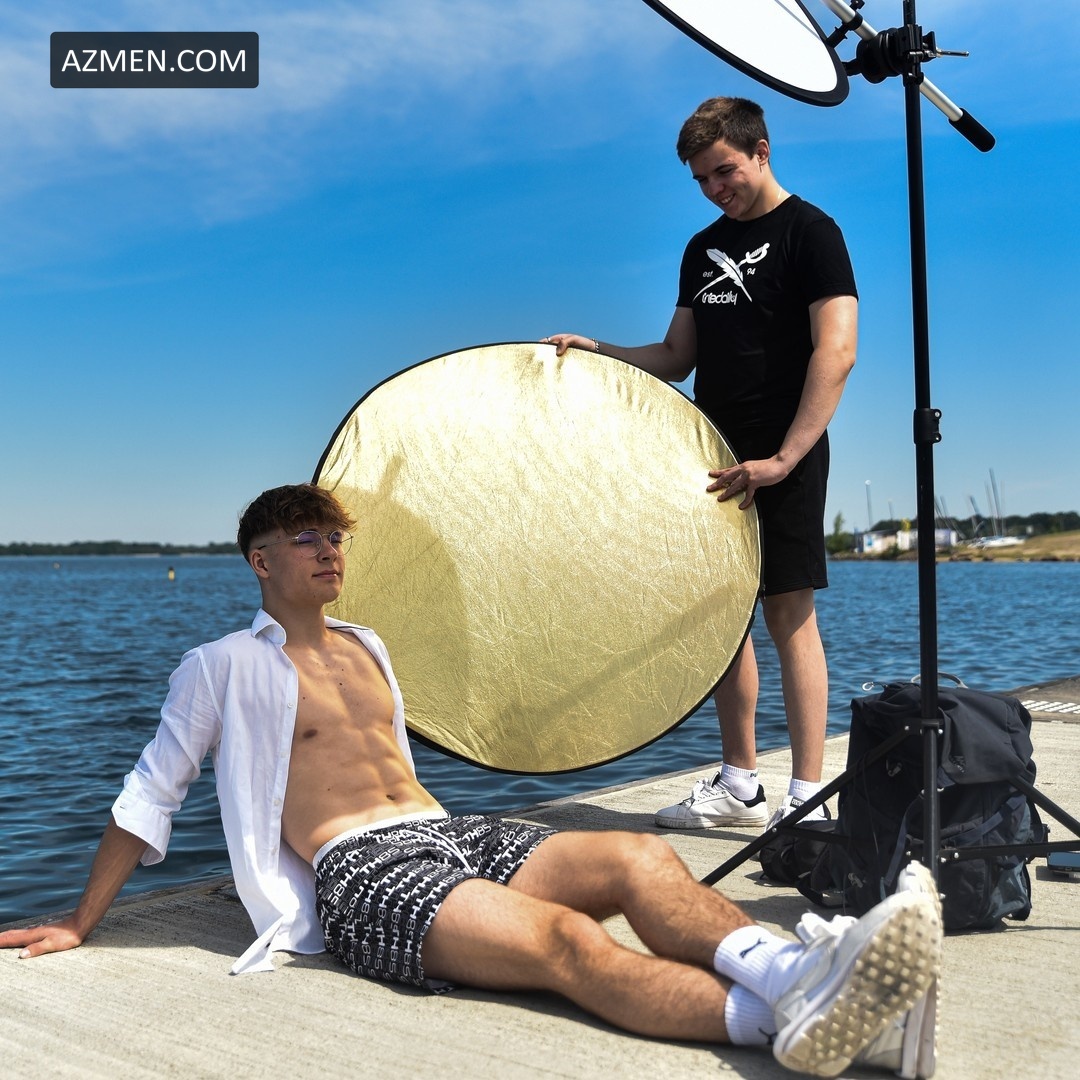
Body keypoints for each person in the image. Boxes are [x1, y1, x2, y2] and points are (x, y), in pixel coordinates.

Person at [0, 484, 938, 1078]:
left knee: (642, 859)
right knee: (564, 942)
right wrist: (83, 920)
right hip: (362, 871)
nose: (329, 550)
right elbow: (150, 794)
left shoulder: (368, 644)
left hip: (448, 831)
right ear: (261, 560)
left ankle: (795, 975)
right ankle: (789, 1022)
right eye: (306, 538)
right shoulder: (220, 666)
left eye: (335, 537)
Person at [544, 96, 858, 832]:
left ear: (761, 152)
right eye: (702, 180)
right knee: (722, 621)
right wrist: (597, 352)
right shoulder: (700, 248)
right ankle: (740, 785)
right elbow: (676, 356)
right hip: (712, 455)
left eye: (724, 171)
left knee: (789, 615)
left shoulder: (812, 232)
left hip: (785, 450)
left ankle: (806, 797)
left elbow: (837, 350)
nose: (716, 188)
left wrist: (785, 457)